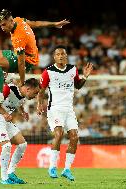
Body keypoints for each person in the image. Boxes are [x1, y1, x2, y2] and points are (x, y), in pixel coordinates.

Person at [37, 45, 93, 181]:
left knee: (74, 137)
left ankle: (67, 169)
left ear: (66, 56)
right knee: (59, 133)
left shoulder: (72, 69)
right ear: (54, 57)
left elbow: (78, 86)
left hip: (69, 109)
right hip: (55, 108)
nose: (61, 56)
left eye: (63, 54)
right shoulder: (48, 72)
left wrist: (85, 76)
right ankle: (52, 167)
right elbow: (41, 90)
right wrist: (39, 104)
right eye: (58, 54)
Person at [0, 78, 40, 184]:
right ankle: (4, 178)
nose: (36, 96)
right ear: (28, 89)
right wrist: (5, 113)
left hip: (5, 120)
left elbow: (17, 102)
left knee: (22, 144)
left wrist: (22, 111)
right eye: (35, 92)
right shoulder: (8, 89)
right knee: (7, 146)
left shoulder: (23, 96)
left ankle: (11, 173)